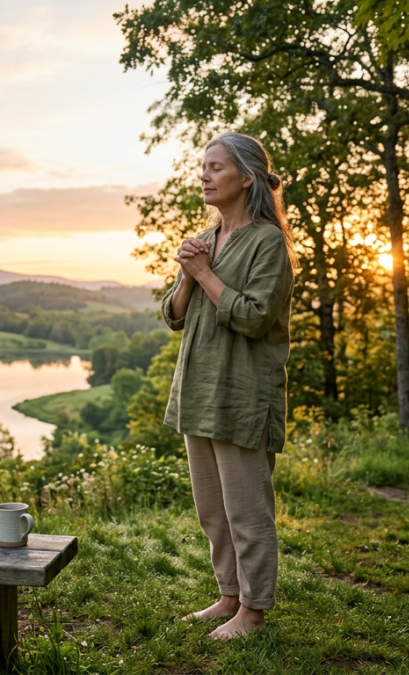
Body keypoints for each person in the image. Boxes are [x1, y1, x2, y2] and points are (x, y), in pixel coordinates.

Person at [161, 132, 296, 640]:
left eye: (215, 168)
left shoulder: (268, 242)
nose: (204, 176)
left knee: (247, 512)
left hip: (243, 396)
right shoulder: (207, 237)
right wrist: (188, 275)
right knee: (213, 512)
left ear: (246, 177)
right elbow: (173, 316)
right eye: (203, 167)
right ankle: (229, 597)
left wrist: (203, 271)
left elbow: (256, 317)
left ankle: (254, 613)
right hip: (200, 392)